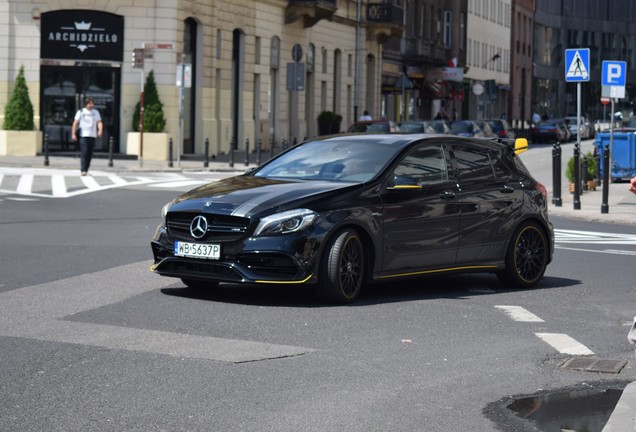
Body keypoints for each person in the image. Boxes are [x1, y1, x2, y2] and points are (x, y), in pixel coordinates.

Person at [72, 98, 103, 176]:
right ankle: (83, 170)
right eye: (90, 103)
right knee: (84, 153)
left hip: (92, 135)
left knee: (90, 153)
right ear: (86, 104)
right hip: (84, 135)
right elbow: (75, 123)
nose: (92, 105)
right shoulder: (81, 112)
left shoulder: (96, 112)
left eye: (92, 103)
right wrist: (73, 133)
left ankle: (86, 169)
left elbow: (99, 122)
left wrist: (100, 130)